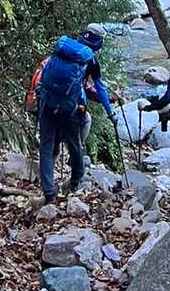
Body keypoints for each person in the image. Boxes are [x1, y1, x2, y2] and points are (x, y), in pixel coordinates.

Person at [36, 26, 115, 201]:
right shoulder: (90, 60)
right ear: (99, 42)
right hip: (70, 107)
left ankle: (49, 192)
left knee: (46, 146)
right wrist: (111, 112)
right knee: (74, 144)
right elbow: (100, 89)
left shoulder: (63, 47)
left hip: (47, 102)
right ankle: (75, 180)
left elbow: (46, 70)